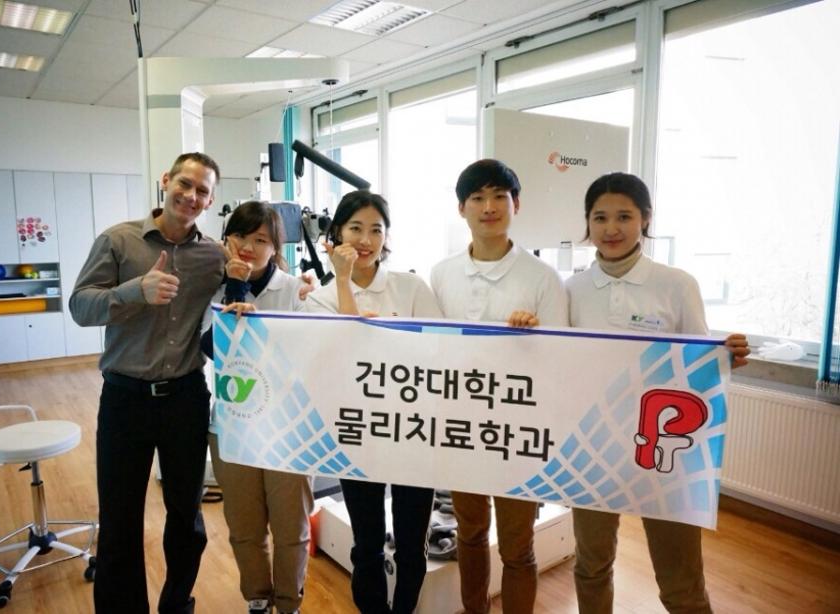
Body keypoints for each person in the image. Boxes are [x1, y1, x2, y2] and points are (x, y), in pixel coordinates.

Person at [565, 171, 750, 614]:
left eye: (624, 216)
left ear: (645, 218)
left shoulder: (677, 283)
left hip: (666, 449)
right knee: (591, 566)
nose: (611, 228)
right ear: (587, 222)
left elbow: (697, 362)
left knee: (681, 583)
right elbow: (558, 364)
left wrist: (725, 357)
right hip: (594, 448)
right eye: (600, 217)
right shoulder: (570, 289)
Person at [69, 152, 226, 614]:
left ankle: (177, 603)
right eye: (185, 183)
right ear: (166, 181)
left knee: (186, 517)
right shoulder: (118, 241)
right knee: (119, 521)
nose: (191, 196)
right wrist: (134, 291)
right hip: (126, 398)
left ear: (210, 200)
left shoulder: (213, 255)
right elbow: (80, 307)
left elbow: (249, 280)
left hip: (185, 399)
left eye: (202, 191)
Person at [430, 158, 568, 614]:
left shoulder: (542, 277)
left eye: (498, 197)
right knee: (469, 534)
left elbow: (562, 357)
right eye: (477, 198)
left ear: (516, 204)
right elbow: (432, 347)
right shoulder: (442, 273)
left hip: (518, 430)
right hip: (462, 426)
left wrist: (534, 336)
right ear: (462, 208)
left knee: (517, 545)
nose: (488, 207)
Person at [306, 190, 442, 614]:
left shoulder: (410, 287)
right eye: (355, 228)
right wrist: (342, 281)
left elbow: (440, 350)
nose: (366, 240)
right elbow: (340, 355)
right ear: (336, 233)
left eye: (376, 230)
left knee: (412, 543)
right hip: (357, 432)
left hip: (413, 431)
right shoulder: (320, 298)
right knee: (366, 542)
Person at [200, 201, 313, 614]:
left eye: (261, 239)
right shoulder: (214, 287)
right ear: (226, 239)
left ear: (275, 247)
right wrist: (234, 289)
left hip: (288, 427)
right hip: (234, 425)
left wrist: (257, 329)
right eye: (240, 236)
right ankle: (257, 597)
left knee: (291, 526)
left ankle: (289, 602)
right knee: (244, 525)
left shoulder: (295, 290)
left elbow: (307, 355)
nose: (248, 247)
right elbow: (212, 349)